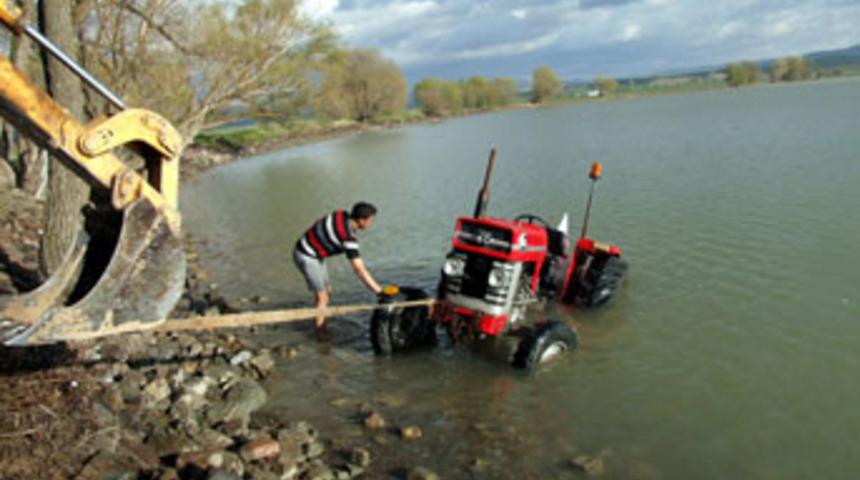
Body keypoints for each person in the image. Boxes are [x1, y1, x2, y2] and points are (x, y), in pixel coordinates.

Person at [293, 202, 383, 340]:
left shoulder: (340, 214)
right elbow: (359, 269)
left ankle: (322, 323)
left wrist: (318, 239)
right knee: (322, 297)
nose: (371, 223)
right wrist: (379, 291)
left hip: (313, 253)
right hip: (306, 255)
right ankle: (320, 334)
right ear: (361, 220)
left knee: (327, 292)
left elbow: (319, 221)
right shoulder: (348, 239)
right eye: (370, 220)